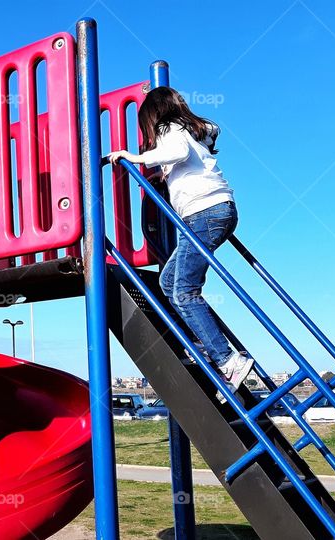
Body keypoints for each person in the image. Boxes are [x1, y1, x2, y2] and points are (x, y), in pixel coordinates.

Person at [107, 86, 253, 389]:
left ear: (154, 115)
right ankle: (204, 342)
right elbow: (208, 134)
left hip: (204, 213)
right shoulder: (192, 129)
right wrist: (166, 174)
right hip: (219, 211)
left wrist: (134, 157)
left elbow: (177, 151)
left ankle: (228, 360)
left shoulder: (169, 127)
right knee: (169, 282)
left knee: (183, 290)